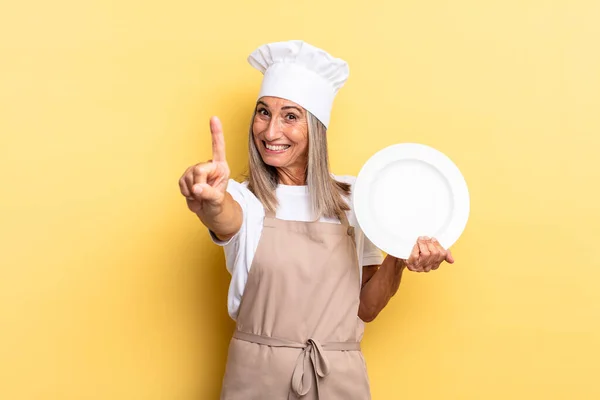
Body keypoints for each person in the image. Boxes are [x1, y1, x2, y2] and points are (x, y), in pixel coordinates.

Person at [178, 40, 454, 400]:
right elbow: (224, 217)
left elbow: (366, 309)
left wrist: (401, 253)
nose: (270, 131)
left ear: (316, 129)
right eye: (263, 113)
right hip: (257, 380)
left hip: (337, 380)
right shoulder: (244, 199)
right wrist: (210, 202)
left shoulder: (357, 199)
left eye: (290, 116)